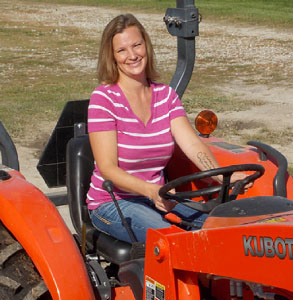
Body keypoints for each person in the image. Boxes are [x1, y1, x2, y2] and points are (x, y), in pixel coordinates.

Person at [87, 13, 250, 244]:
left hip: (159, 197)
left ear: (146, 46)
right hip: (113, 202)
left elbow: (193, 144)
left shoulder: (166, 96)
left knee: (223, 229)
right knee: (174, 241)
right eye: (122, 50)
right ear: (112, 56)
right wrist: (151, 190)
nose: (132, 55)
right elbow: (107, 169)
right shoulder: (104, 99)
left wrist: (222, 177)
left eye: (137, 45)